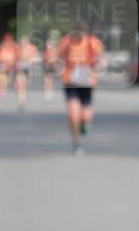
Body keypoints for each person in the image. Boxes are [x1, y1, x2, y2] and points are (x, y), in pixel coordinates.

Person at [57, 24, 105, 155]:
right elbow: (58, 59)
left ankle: (84, 125)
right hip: (71, 83)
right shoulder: (65, 42)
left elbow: (101, 60)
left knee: (86, 115)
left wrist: (98, 66)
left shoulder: (94, 43)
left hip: (87, 83)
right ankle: (76, 143)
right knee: (73, 115)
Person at [14, 35, 39, 111]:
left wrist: (31, 61)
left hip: (27, 70)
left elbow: (36, 59)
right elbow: (14, 59)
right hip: (19, 70)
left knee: (24, 86)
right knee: (20, 86)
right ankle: (21, 101)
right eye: (22, 42)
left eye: (25, 42)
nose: (23, 43)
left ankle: (23, 100)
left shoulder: (32, 49)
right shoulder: (17, 49)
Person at [0, 33, 17, 97]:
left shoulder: (12, 47)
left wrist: (12, 62)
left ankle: (5, 88)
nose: (7, 42)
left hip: (8, 66)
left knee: (6, 79)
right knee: (1, 79)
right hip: (1, 66)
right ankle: (2, 90)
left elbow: (14, 56)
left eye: (9, 40)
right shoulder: (0, 51)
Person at [42, 30, 60, 101]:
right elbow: (45, 57)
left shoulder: (55, 48)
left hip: (52, 65)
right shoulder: (47, 49)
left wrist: (55, 63)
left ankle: (50, 91)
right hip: (47, 65)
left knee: (50, 79)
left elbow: (57, 57)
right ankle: (47, 91)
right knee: (46, 79)